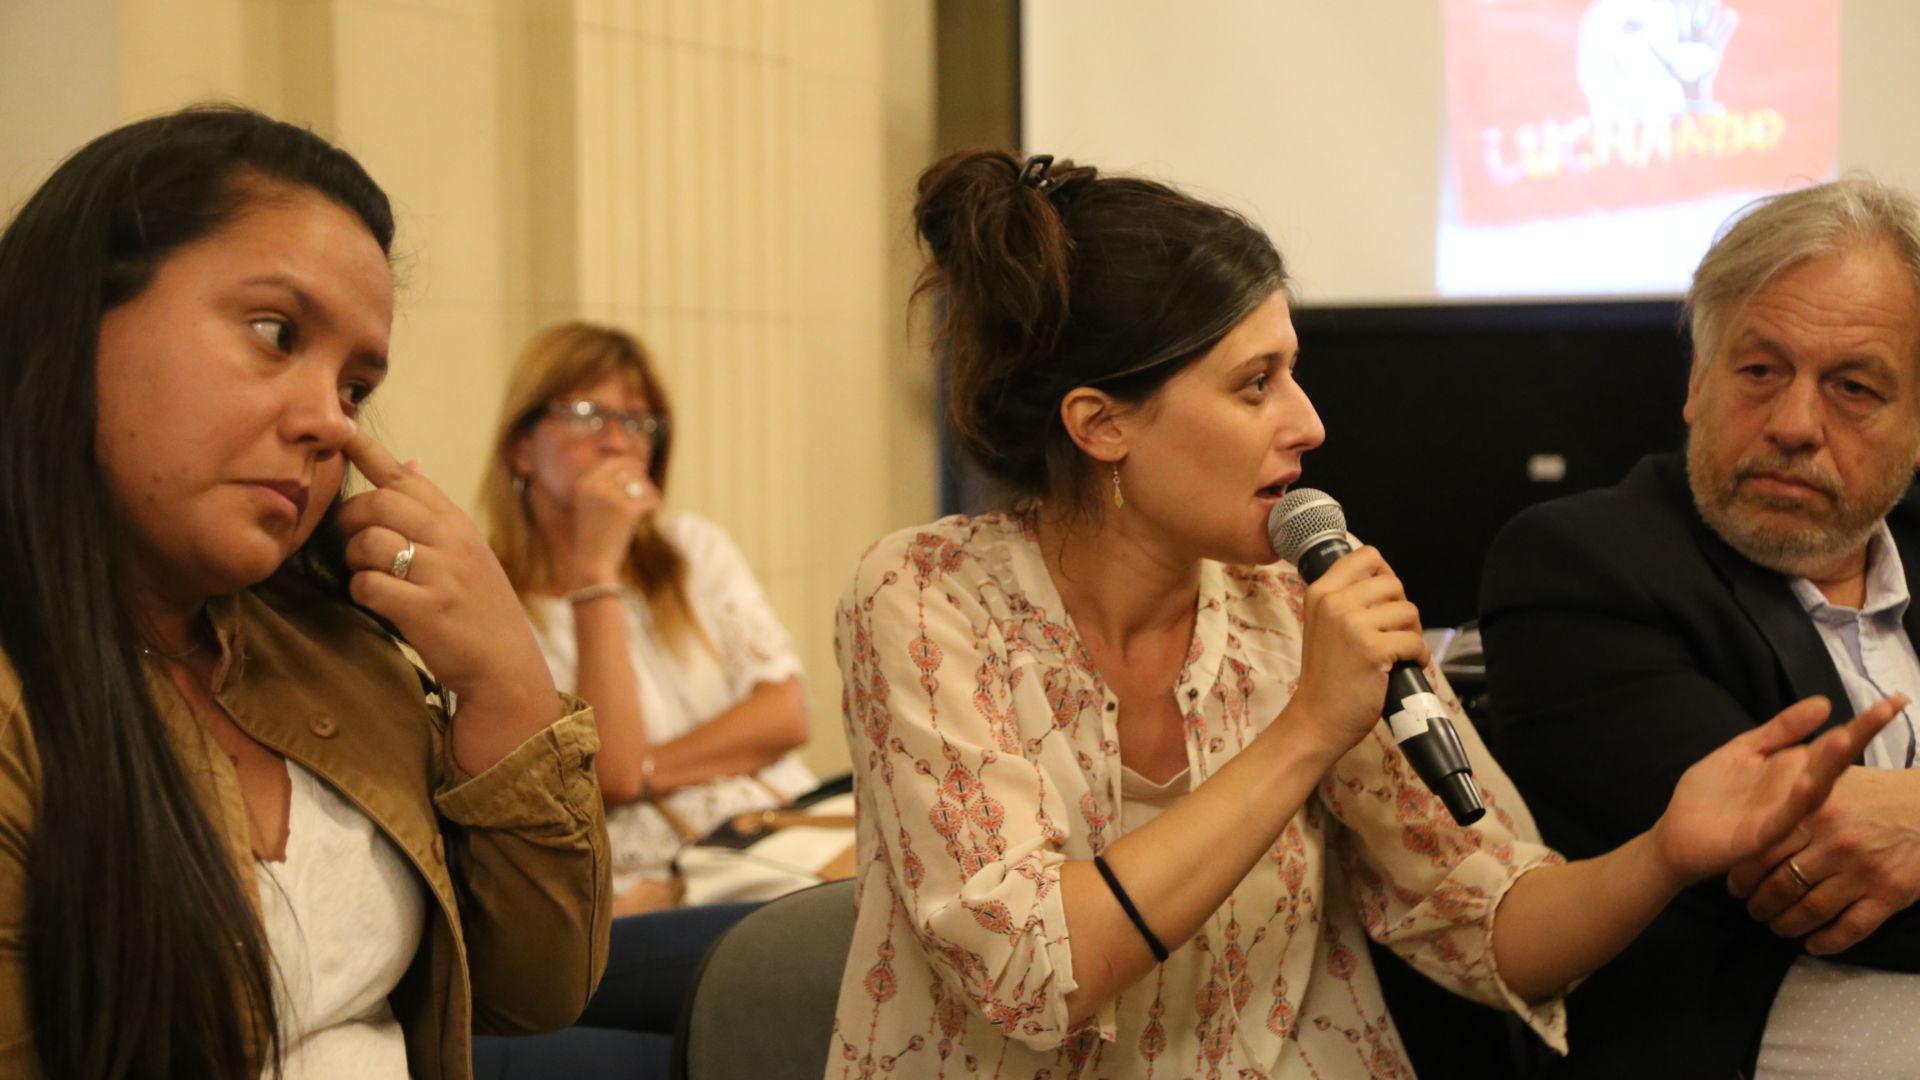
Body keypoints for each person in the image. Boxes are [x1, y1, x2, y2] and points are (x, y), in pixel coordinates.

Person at [824, 149, 1901, 1079]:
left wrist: (1665, 852)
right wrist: (1306, 731)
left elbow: (1490, 923)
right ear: (1103, 424)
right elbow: (1033, 971)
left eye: (1296, 373)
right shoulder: (924, 594)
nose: (1308, 421)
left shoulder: (1295, 605)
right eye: (1256, 385)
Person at [0, 106, 610, 1079]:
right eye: (275, 333)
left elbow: (533, 989)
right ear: (77, 319)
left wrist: (503, 684)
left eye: (356, 387)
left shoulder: (333, 648)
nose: (329, 420)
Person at [1480, 176, 1920, 1077]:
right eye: (1759, 372)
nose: (1795, 424)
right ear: (1697, 382)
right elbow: (1801, 859)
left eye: (1854, 388)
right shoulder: (1583, 566)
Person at [478, 320, 819, 915]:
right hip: (653, 892)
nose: (617, 440)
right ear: (522, 447)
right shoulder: (492, 605)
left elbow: (785, 715)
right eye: (588, 413)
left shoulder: (694, 551)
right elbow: (604, 775)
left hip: (784, 846)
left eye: (638, 420)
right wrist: (595, 573)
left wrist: (644, 769)